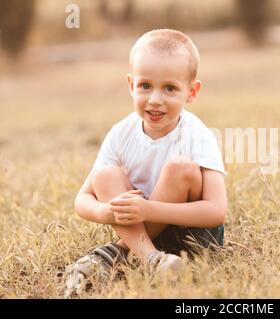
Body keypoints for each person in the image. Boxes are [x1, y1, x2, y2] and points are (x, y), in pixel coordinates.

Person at [65, 29, 227, 297]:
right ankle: (152, 260)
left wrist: (147, 210)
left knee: (180, 169)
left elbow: (216, 210)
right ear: (131, 85)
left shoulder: (197, 135)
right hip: (143, 234)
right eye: (145, 86)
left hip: (191, 236)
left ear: (192, 92)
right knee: (105, 175)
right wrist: (106, 212)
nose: (155, 99)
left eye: (170, 88)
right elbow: (82, 200)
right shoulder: (121, 133)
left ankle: (116, 255)